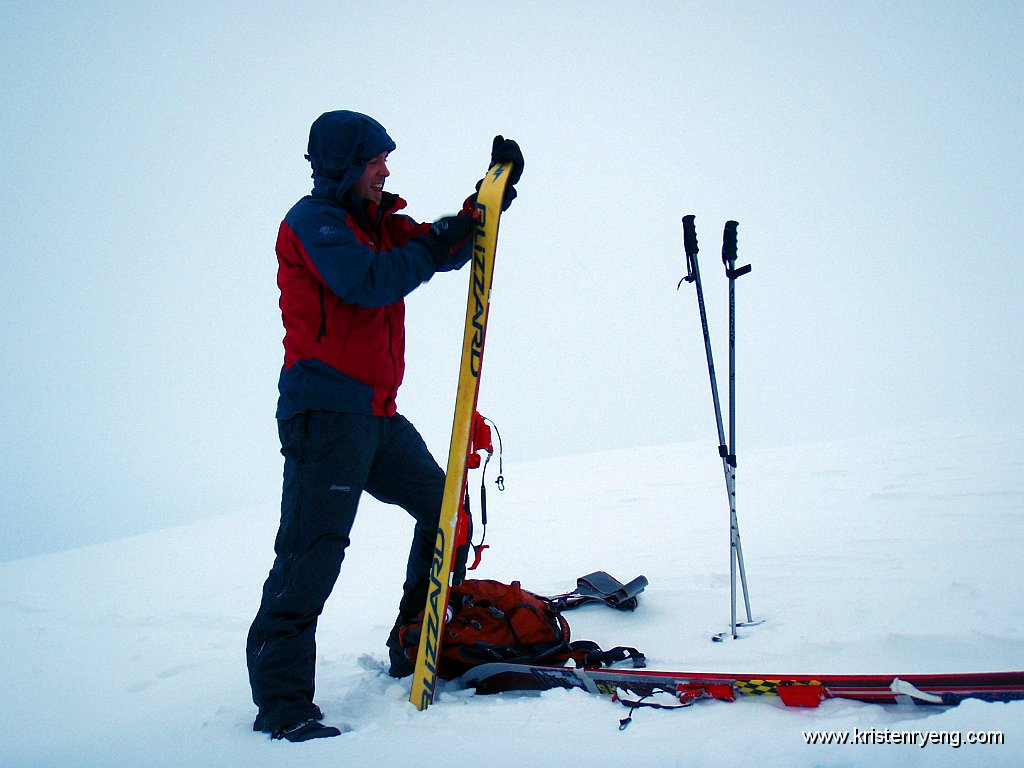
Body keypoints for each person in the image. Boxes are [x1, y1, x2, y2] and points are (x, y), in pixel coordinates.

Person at [246, 110, 524, 742]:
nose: (386, 170)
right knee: (311, 555)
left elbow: (439, 244)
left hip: (376, 415)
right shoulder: (313, 225)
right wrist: (430, 245)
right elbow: (368, 281)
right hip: (326, 418)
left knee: (446, 509)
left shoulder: (379, 225)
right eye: (375, 160)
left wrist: (487, 199)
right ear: (344, 164)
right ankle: (283, 706)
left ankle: (414, 640)